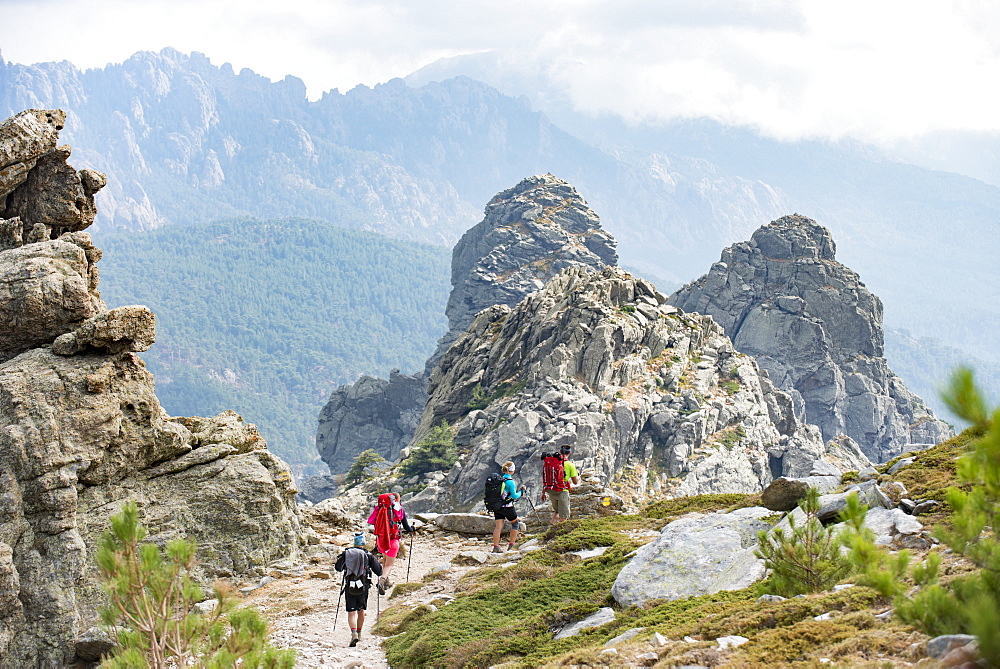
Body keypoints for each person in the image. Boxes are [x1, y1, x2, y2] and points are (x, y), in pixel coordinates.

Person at [334, 532, 383, 647]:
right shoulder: (368, 555)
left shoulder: (347, 553)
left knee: (351, 612)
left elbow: (338, 568)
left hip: (350, 585)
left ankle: (353, 633)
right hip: (363, 586)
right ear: (363, 543)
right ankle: (359, 633)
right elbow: (379, 571)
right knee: (361, 611)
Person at [367, 492, 414, 593]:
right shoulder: (398, 508)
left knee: (384, 559)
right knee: (389, 564)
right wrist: (412, 529)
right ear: (396, 499)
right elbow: (406, 527)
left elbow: (371, 521)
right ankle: (382, 580)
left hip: (381, 539)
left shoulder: (379, 508)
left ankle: (386, 582)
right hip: (393, 540)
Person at [540, 445, 580, 524]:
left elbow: (547, 476)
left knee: (557, 511)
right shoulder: (570, 464)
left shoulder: (551, 462)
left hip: (550, 490)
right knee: (564, 516)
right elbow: (575, 482)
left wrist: (543, 492)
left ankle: (552, 529)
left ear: (560, 451)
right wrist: (577, 475)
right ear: (570, 452)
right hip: (562, 490)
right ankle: (562, 534)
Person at [491, 461, 526, 553]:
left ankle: (496, 547)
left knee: (498, 527)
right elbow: (514, 496)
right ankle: (511, 545)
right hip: (507, 506)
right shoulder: (510, 482)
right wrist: (521, 492)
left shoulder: (499, 480)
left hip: (497, 506)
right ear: (512, 471)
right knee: (515, 523)